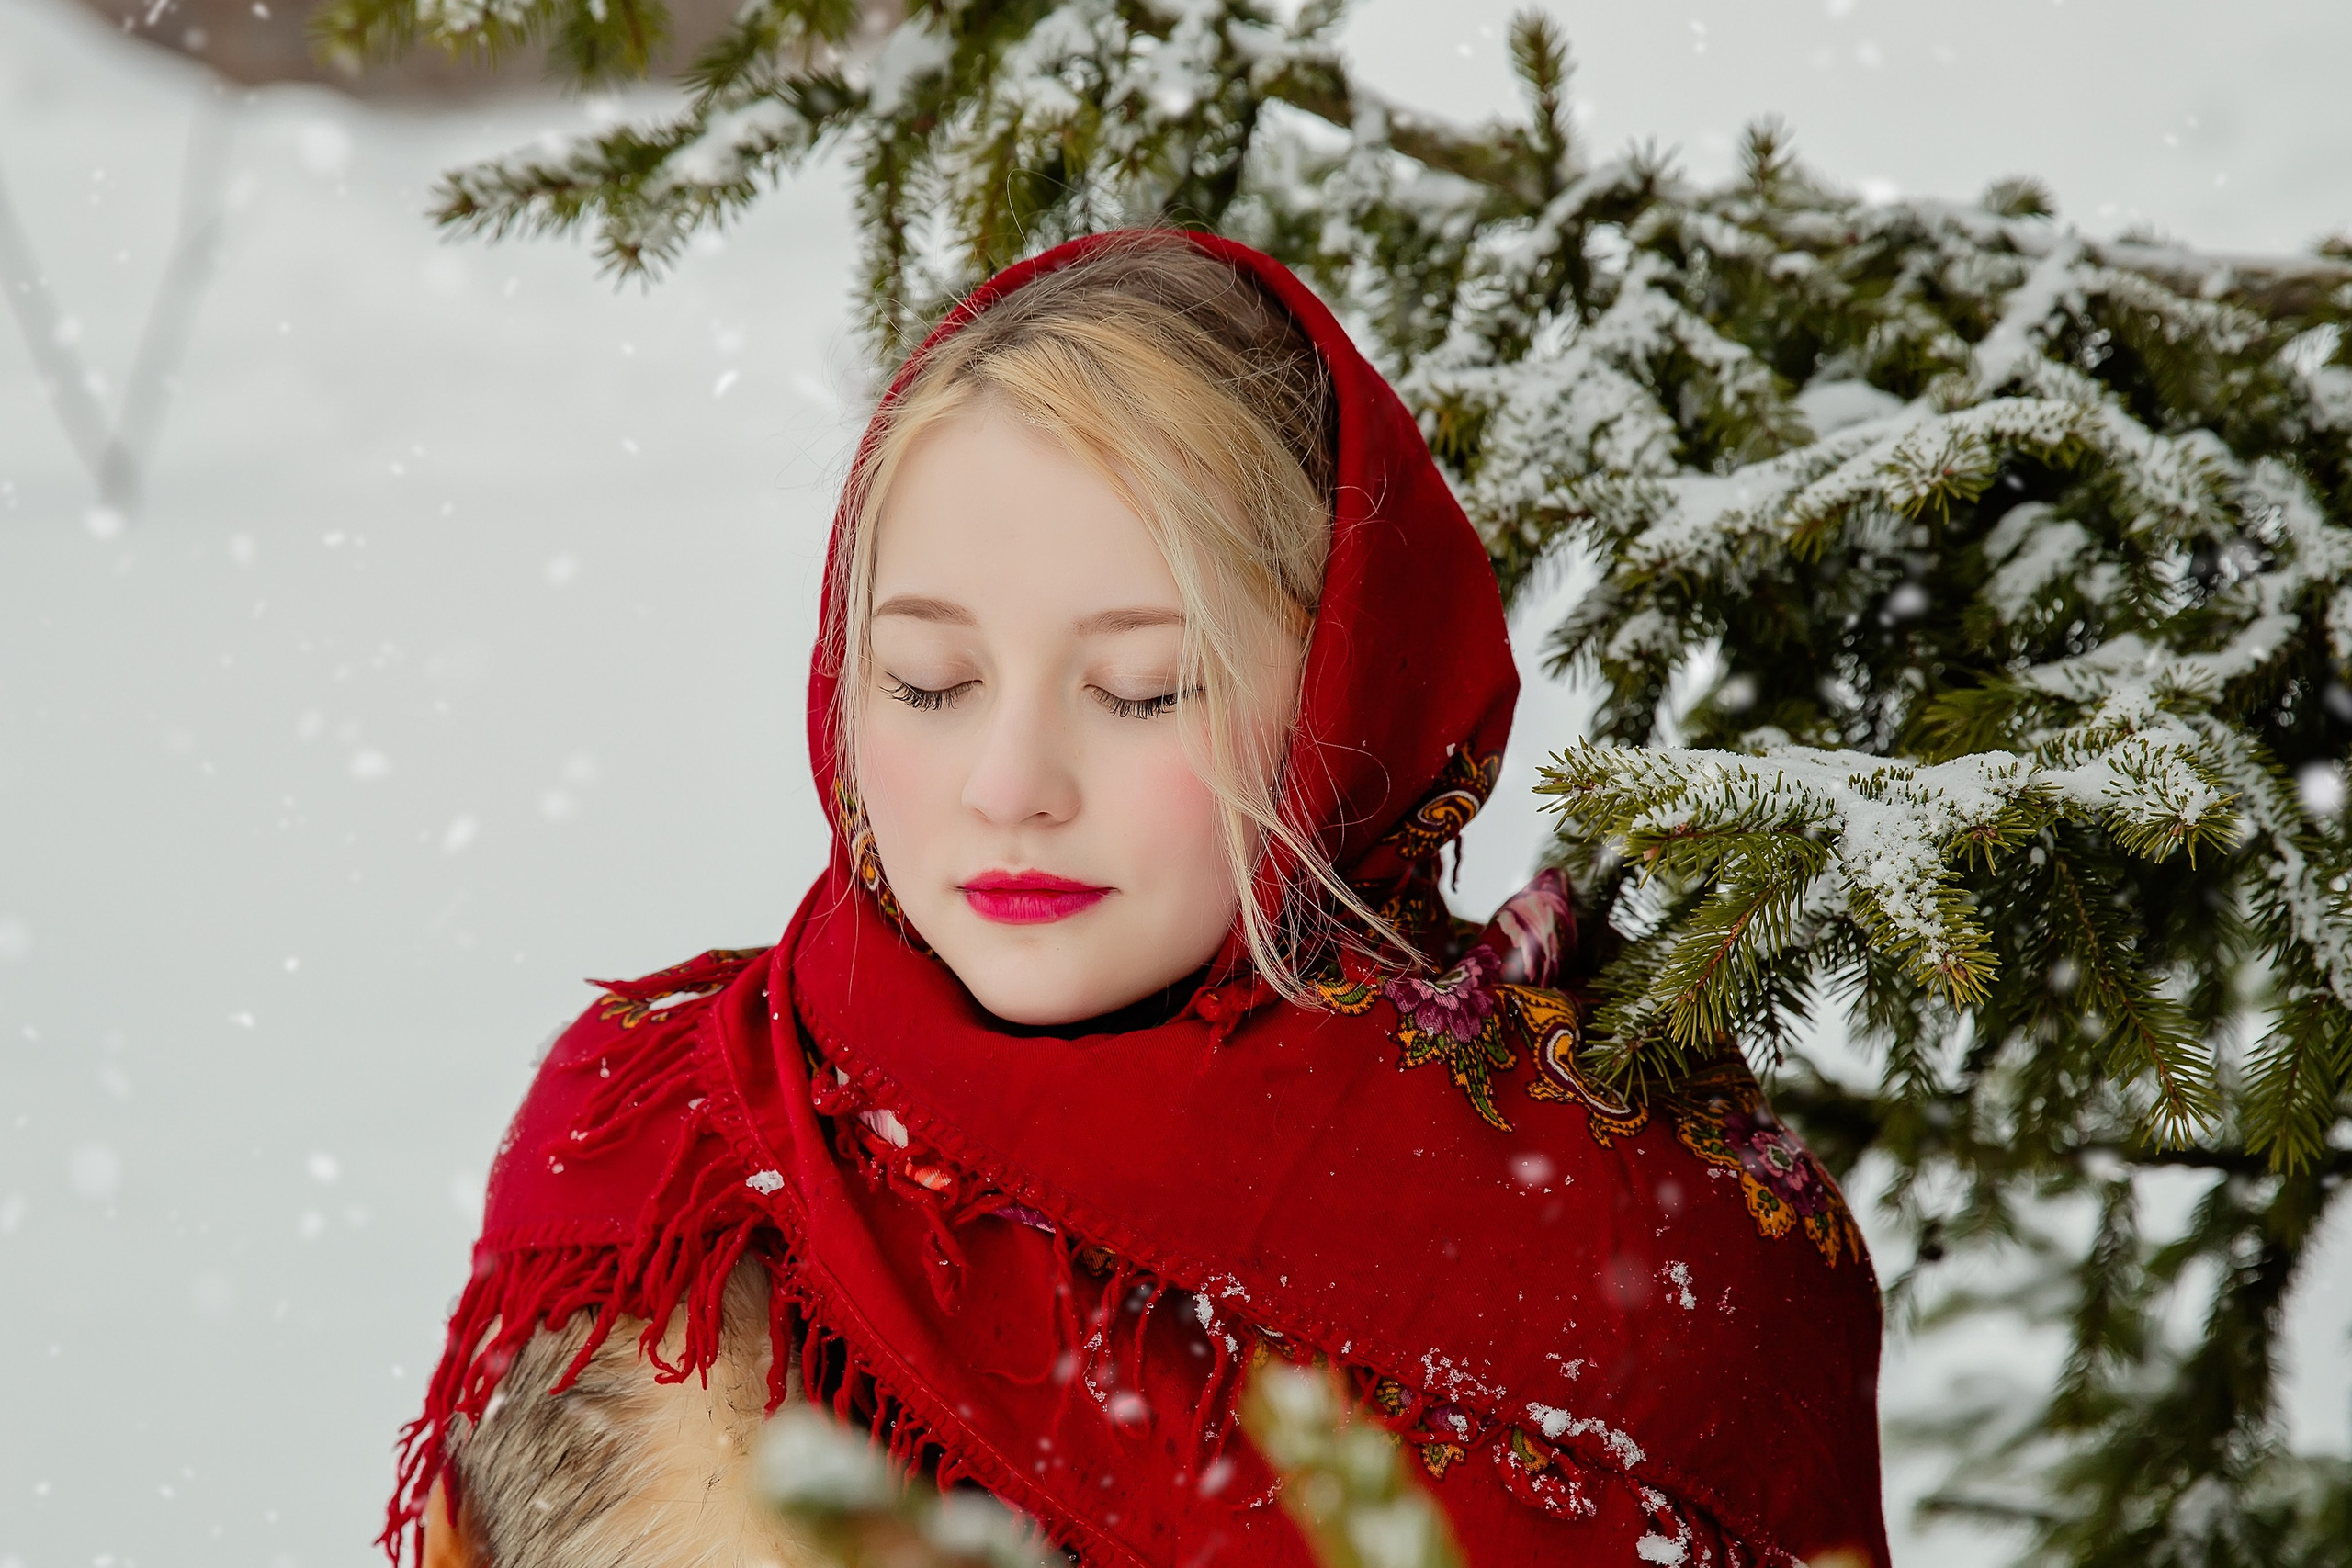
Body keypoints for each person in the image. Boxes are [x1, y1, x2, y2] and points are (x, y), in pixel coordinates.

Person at [387, 231, 1889, 1568]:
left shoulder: (1634, 1250)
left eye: (1143, 687)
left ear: (1349, 698)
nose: (1010, 784)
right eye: (931, 681)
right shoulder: (663, 1175)